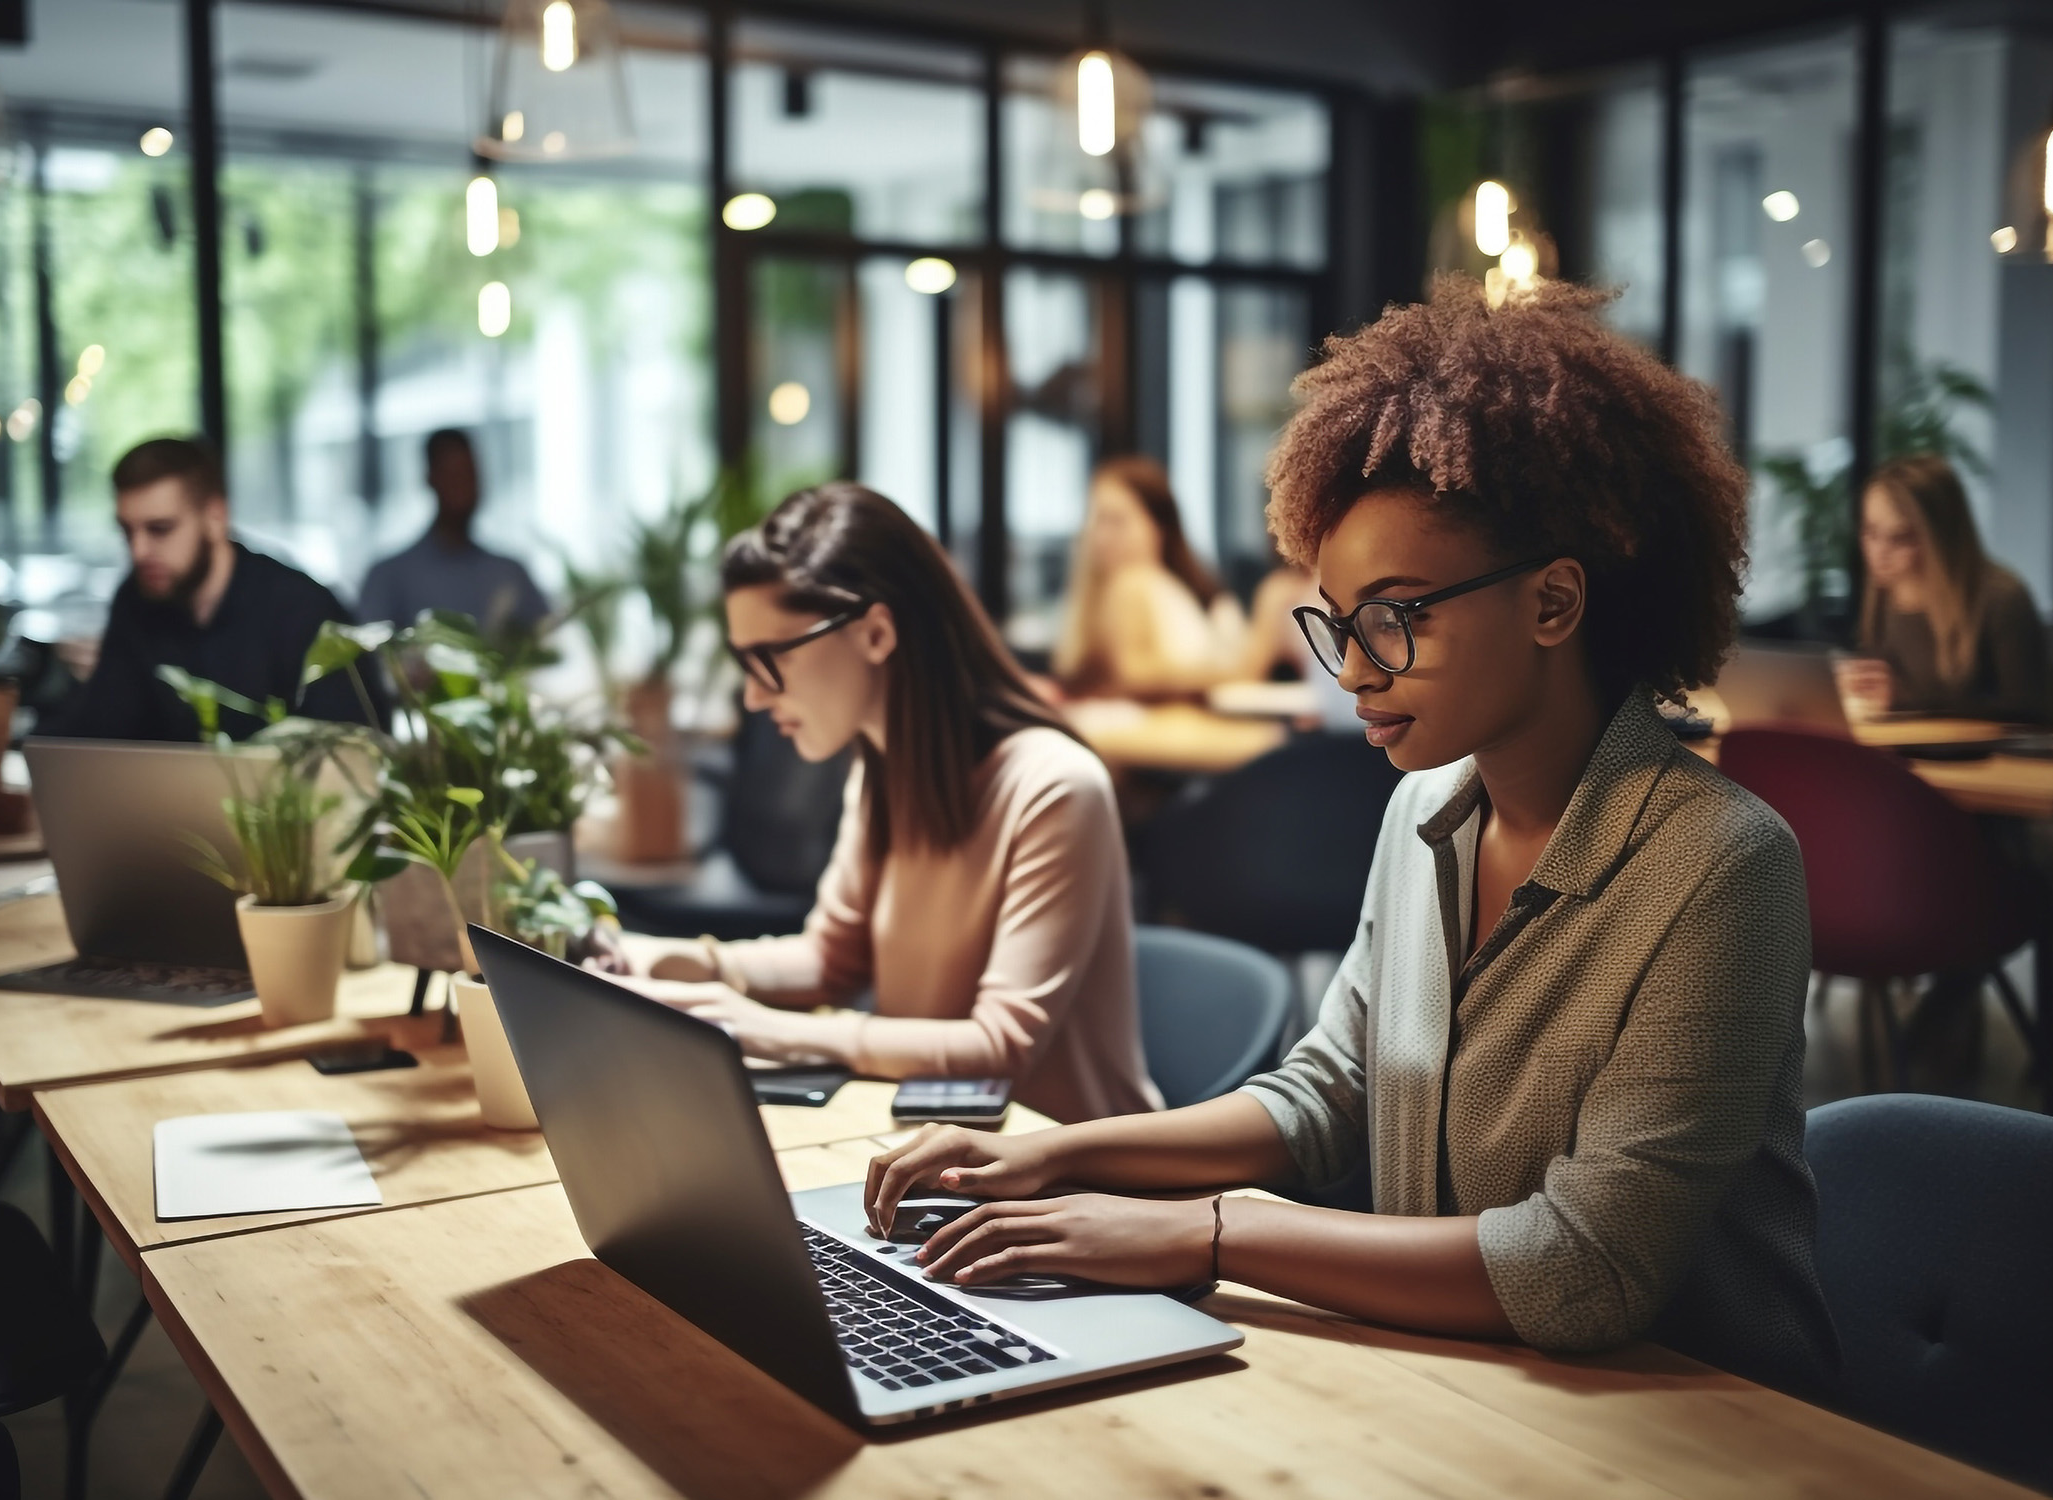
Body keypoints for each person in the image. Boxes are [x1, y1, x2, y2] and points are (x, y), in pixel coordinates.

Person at [861, 279, 1841, 1398]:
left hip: (1698, 1425)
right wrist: (1050, 1152)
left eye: (1397, 616)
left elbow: (1586, 1268)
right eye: (1338, 622)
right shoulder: (1426, 809)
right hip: (1468, 1380)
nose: (1358, 671)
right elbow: (1331, 1093)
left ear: (1555, 603)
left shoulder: (1720, 862)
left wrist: (1213, 1233)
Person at [605, 482, 1161, 1124]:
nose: (754, 698)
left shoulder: (1055, 786)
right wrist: (685, 964)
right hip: (940, 1153)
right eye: (743, 663)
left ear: (874, 634)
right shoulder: (880, 771)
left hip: (1076, 1179)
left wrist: (758, 1028)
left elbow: (997, 1047)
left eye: (770, 659)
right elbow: (830, 961)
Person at [41, 437, 383, 742]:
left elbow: (353, 750)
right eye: (127, 531)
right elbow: (99, 729)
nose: (138, 551)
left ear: (215, 518)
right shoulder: (136, 599)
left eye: (160, 529)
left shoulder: (303, 608)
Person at [1051, 456, 1303, 699]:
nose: (1103, 537)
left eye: (1117, 521)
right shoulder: (1132, 586)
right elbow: (1135, 672)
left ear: (1158, 525)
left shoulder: (1176, 587)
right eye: (1097, 522)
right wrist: (1235, 670)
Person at [1835, 452, 2053, 725]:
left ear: (1940, 537)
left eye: (1901, 537)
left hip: (2002, 763)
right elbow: (1892, 694)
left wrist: (1903, 700)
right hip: (1919, 756)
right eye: (1870, 533)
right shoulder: (1885, 594)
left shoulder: (2001, 599)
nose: (1879, 553)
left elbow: (2027, 716)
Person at [356, 429, 549, 637]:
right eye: (454, 476)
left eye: (470, 475)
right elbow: (371, 658)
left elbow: (549, 644)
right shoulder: (389, 576)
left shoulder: (509, 572)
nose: (465, 488)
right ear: (430, 479)